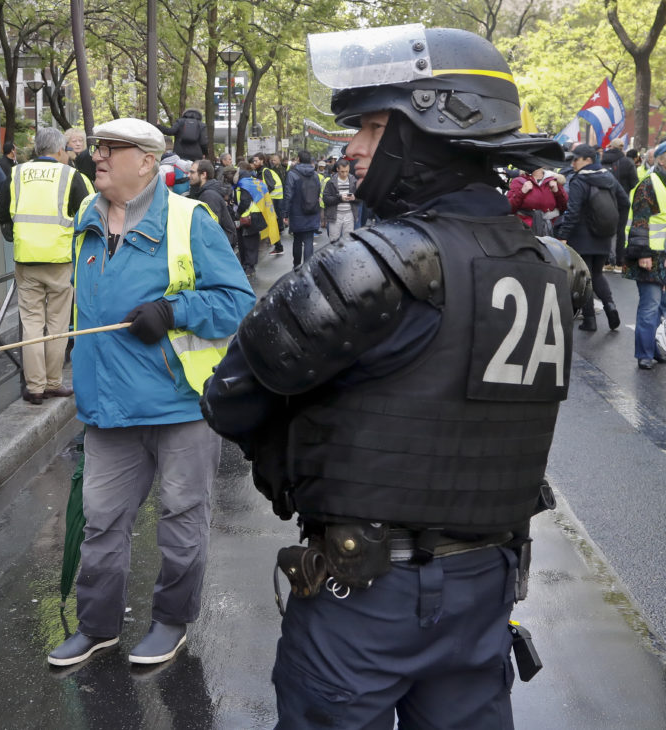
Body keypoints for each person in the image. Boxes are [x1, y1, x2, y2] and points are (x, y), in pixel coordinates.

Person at [200, 26, 590, 728]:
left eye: (375, 127)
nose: (351, 148)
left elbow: (230, 399)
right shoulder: (554, 266)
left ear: (434, 133)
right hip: (488, 585)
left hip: (367, 598)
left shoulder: (379, 265)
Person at [47, 117, 254, 667]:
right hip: (105, 408)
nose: (99, 156)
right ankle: (97, 627)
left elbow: (238, 302)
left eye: (111, 148)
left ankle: (171, 621)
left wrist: (173, 311)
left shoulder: (190, 219)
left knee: (182, 519)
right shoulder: (85, 218)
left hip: (178, 405)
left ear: (146, 160)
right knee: (101, 523)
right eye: (97, 147)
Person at [0, 127, 92, 404]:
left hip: (26, 260)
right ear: (60, 150)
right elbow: (87, 213)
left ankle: (34, 388)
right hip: (60, 259)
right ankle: (53, 383)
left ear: (36, 148)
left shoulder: (16, 173)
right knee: (58, 325)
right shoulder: (70, 175)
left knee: (32, 323)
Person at [554, 143, 629, 332]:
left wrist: (563, 235)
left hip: (582, 236)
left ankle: (589, 321)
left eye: (576, 159)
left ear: (588, 160)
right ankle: (610, 307)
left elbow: (572, 211)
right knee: (597, 274)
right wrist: (616, 226)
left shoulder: (580, 180)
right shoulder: (608, 177)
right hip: (604, 235)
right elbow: (624, 202)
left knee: (583, 277)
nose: (573, 163)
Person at [623, 140, 666, 369]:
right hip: (649, 256)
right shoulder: (649, 184)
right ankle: (645, 354)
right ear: (661, 159)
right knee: (650, 306)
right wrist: (643, 255)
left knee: (661, 307)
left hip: (664, 257)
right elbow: (640, 222)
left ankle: (655, 348)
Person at [603, 137, 640, 267]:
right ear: (622, 148)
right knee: (620, 231)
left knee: (604, 230)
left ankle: (605, 261)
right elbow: (634, 182)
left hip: (604, 201)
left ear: (610, 147)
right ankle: (619, 262)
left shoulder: (602, 160)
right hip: (622, 201)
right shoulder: (628, 162)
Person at [281, 149, 320, 268]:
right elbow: (318, 192)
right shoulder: (315, 174)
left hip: (297, 212)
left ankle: (297, 266)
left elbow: (288, 195)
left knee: (297, 240)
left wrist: (285, 213)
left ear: (298, 159)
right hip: (312, 210)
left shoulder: (293, 174)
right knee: (309, 240)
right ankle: (308, 267)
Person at [189, 159, 237, 249]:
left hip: (219, 247)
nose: (189, 175)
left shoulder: (209, 196)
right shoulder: (206, 192)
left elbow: (211, 229)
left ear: (203, 175)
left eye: (192, 172)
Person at [507, 165, 566, 236]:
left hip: (547, 231)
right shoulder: (518, 181)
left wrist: (557, 191)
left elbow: (564, 207)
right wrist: (522, 192)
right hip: (523, 231)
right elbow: (509, 208)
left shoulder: (553, 181)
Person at [234, 161, 268, 276]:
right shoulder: (250, 181)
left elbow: (245, 201)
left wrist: (238, 213)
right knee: (248, 243)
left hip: (250, 216)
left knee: (249, 243)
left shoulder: (244, 183)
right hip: (252, 215)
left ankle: (249, 266)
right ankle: (248, 265)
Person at [321, 158, 360, 242]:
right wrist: (340, 198)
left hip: (349, 214)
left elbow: (360, 198)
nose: (344, 174)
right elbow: (326, 199)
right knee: (334, 240)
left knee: (348, 241)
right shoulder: (331, 182)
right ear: (337, 169)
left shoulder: (354, 181)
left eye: (346, 171)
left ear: (349, 168)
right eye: (342, 171)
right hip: (335, 215)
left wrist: (354, 198)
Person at [253, 152, 284, 254]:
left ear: (262, 161)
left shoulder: (265, 171)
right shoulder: (261, 171)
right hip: (269, 200)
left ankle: (278, 246)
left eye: (256, 160)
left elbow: (271, 185)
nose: (254, 162)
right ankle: (277, 245)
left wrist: (263, 195)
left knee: (271, 223)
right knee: (270, 224)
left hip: (270, 200)